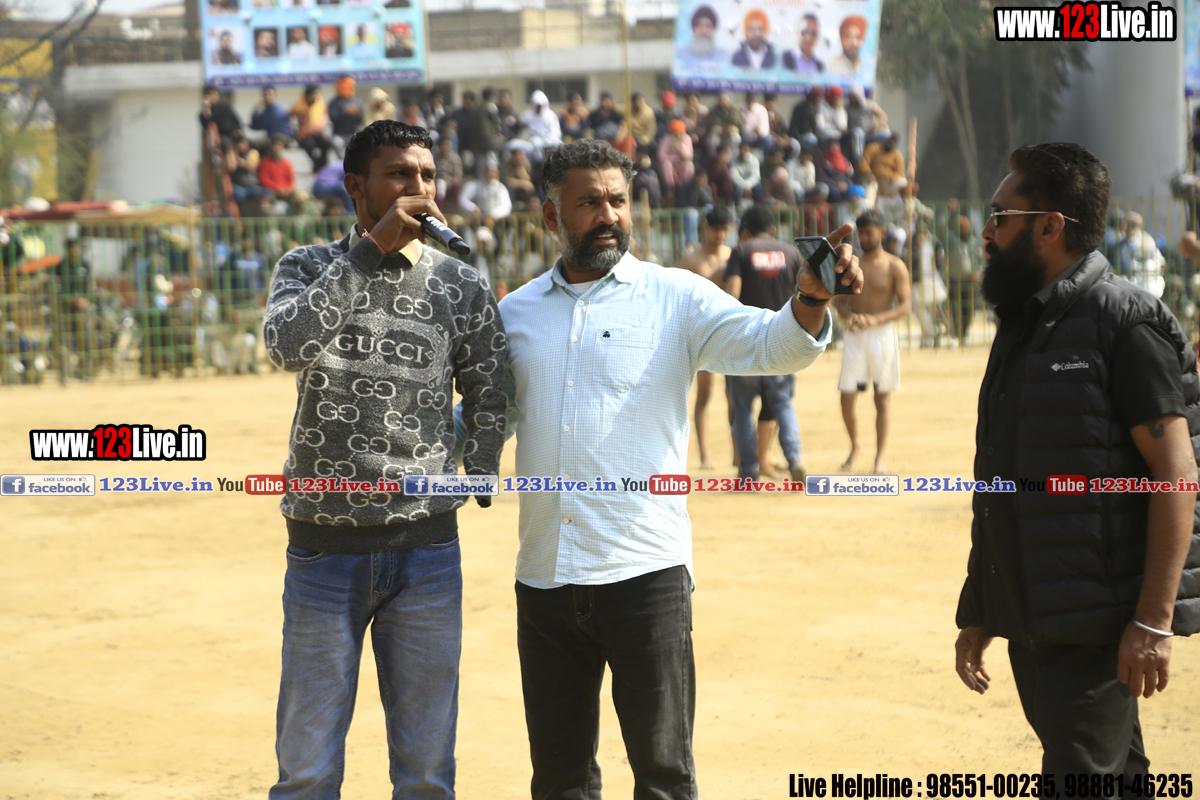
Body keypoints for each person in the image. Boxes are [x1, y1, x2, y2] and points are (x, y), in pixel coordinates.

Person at [485, 140, 860, 799]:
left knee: (663, 778)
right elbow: (486, 419)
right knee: (560, 780)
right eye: (589, 202)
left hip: (645, 578)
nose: (609, 215)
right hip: (544, 580)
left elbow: (769, 345)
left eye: (618, 200)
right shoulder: (515, 314)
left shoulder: (675, 297)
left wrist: (808, 299)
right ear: (550, 216)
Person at [262, 120, 508, 799]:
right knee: (307, 770)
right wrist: (369, 253)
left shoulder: (459, 283)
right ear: (357, 186)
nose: (418, 188)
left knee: (426, 772)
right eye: (399, 174)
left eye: (427, 175)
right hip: (323, 551)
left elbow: (491, 383)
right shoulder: (307, 267)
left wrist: (482, 463)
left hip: (427, 552)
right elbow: (287, 345)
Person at [954, 142, 1200, 781]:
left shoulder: (1125, 322)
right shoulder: (1025, 325)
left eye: (999, 215)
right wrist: (983, 606)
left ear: (1049, 227)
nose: (986, 231)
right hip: (1036, 618)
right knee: (1115, 778)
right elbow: (1004, 480)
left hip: (1099, 625)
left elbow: (1176, 475)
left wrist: (1153, 620)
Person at [723, 203, 813, 483]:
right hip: (781, 341)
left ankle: (749, 471)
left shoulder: (741, 251)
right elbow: (803, 294)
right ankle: (794, 457)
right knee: (783, 403)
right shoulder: (791, 253)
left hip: (745, 342)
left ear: (746, 231)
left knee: (742, 410)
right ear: (772, 230)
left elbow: (732, 294)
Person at [833, 209, 910, 473]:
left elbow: (905, 306)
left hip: (882, 335)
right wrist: (850, 317)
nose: (864, 237)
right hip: (855, 334)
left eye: (869, 232)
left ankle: (880, 457)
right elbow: (839, 302)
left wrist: (876, 320)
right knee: (846, 396)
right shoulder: (852, 264)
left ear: (881, 233)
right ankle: (855, 446)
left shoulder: (894, 265)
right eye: (861, 233)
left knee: (881, 398)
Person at [672, 205, 734, 469]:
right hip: (702, 335)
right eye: (715, 229)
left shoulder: (733, 257)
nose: (719, 235)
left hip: (730, 332)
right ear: (705, 228)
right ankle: (705, 455)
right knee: (704, 395)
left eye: (724, 229)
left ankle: (738, 453)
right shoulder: (690, 262)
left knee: (734, 396)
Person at [291, 84, 333, 170]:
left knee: (327, 144)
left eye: (316, 94)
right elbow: (292, 122)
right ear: (307, 96)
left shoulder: (321, 106)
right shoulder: (299, 107)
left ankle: (320, 165)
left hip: (315, 133)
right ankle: (317, 164)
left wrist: (307, 131)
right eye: (312, 94)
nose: (314, 96)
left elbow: (320, 126)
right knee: (309, 144)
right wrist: (298, 132)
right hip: (303, 137)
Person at [328, 75, 365, 147]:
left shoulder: (357, 101)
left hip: (354, 133)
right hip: (339, 134)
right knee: (336, 143)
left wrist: (356, 114)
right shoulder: (334, 102)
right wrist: (345, 112)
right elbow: (333, 118)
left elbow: (361, 120)